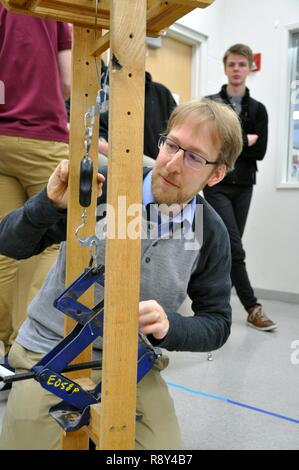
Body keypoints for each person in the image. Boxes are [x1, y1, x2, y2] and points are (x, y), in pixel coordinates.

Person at [0, 99, 242, 450]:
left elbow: (217, 322)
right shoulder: (101, 187)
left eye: (193, 157)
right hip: (48, 348)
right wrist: (47, 205)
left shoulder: (211, 231)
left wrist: (170, 326)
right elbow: (9, 243)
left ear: (216, 174)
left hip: (131, 360)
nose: (172, 164)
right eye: (171, 145)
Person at [0, 6, 72, 352]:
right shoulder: (57, 8)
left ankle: (1, 345)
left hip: (1, 137)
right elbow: (69, 82)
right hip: (43, 135)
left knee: (4, 242)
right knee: (52, 238)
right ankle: (22, 344)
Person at [204, 44, 277, 332]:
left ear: (249, 68)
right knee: (234, 248)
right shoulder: (210, 105)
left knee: (225, 248)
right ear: (225, 68)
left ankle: (212, 303)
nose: (236, 69)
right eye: (231, 64)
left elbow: (260, 153)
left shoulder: (259, 110)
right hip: (216, 184)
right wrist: (245, 140)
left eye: (241, 64)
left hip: (244, 186)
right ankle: (252, 307)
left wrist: (229, 143)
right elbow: (209, 145)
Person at [98, 71, 177, 165]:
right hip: (120, 162)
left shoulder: (162, 93)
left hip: (157, 164)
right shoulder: (110, 92)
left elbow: (178, 131)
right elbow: (100, 132)